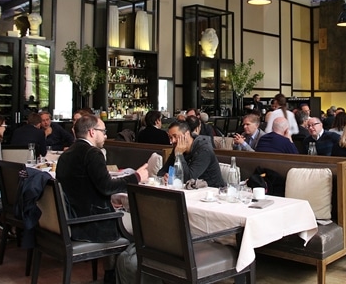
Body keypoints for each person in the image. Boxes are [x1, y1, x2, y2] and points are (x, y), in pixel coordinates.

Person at [56, 115, 149, 284]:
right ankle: (129, 277)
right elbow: (106, 186)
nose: (106, 136)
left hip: (73, 221)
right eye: (103, 131)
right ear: (92, 132)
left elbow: (82, 188)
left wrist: (107, 199)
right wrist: (136, 177)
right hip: (93, 225)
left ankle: (111, 274)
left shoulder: (66, 154)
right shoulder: (92, 153)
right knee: (142, 225)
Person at [157, 121, 224, 188]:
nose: (172, 141)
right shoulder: (177, 148)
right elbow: (160, 173)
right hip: (191, 190)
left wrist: (179, 154)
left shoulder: (204, 149)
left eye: (175, 136)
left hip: (212, 191)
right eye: (170, 137)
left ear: (187, 134)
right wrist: (165, 176)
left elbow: (188, 178)